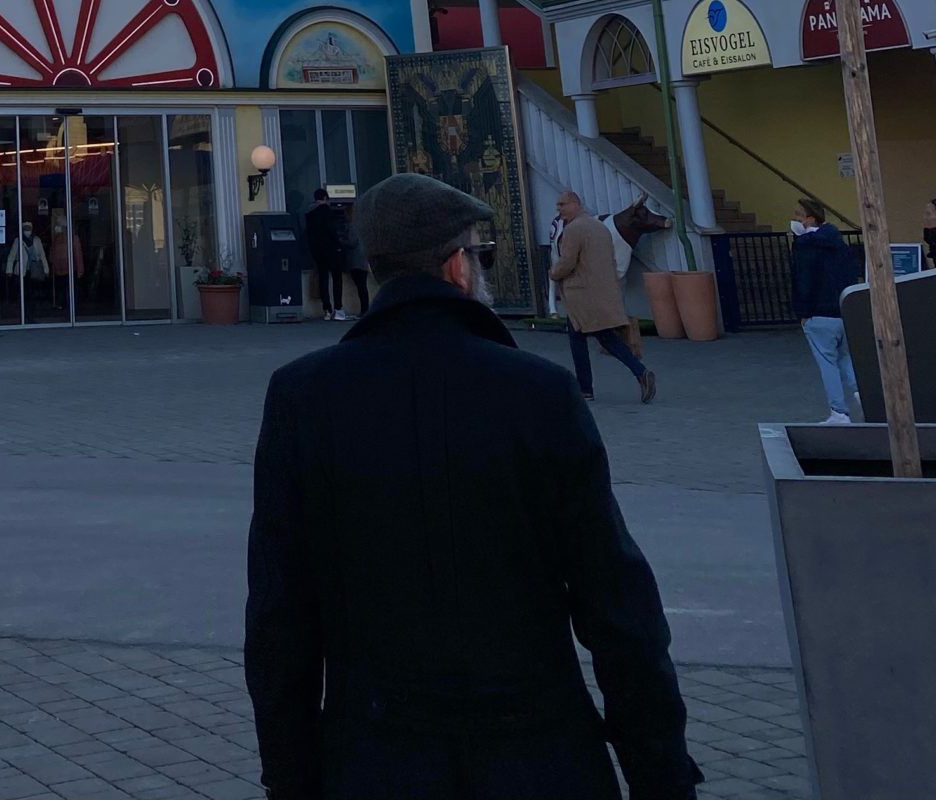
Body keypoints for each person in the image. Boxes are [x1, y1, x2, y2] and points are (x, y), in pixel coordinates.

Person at [246, 173, 700, 799]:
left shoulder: (303, 397)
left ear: (377, 273)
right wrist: (661, 773)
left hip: (374, 757)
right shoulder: (537, 393)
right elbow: (618, 605)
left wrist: (289, 780)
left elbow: (280, 617)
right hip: (539, 754)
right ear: (458, 267)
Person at [552, 190, 657, 405]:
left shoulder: (574, 230)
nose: (559, 209)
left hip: (581, 295)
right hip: (600, 292)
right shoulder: (600, 227)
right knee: (605, 338)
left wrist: (553, 273)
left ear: (575, 204)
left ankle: (586, 389)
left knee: (579, 339)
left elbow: (567, 262)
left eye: (562, 204)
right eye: (558, 205)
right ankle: (640, 372)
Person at [789, 196, 862, 424]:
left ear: (810, 218)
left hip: (817, 313)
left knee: (827, 362)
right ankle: (863, 394)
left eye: (799, 215)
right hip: (842, 309)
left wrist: (803, 312)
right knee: (845, 358)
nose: (795, 219)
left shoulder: (805, 247)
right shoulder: (838, 242)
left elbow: (804, 281)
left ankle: (839, 411)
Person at [303, 187, 345, 320]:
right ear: (326, 198)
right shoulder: (327, 211)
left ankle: (326, 309)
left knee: (323, 278)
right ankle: (338, 309)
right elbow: (332, 230)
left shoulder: (309, 214)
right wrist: (339, 243)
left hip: (317, 250)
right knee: (337, 278)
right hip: (331, 249)